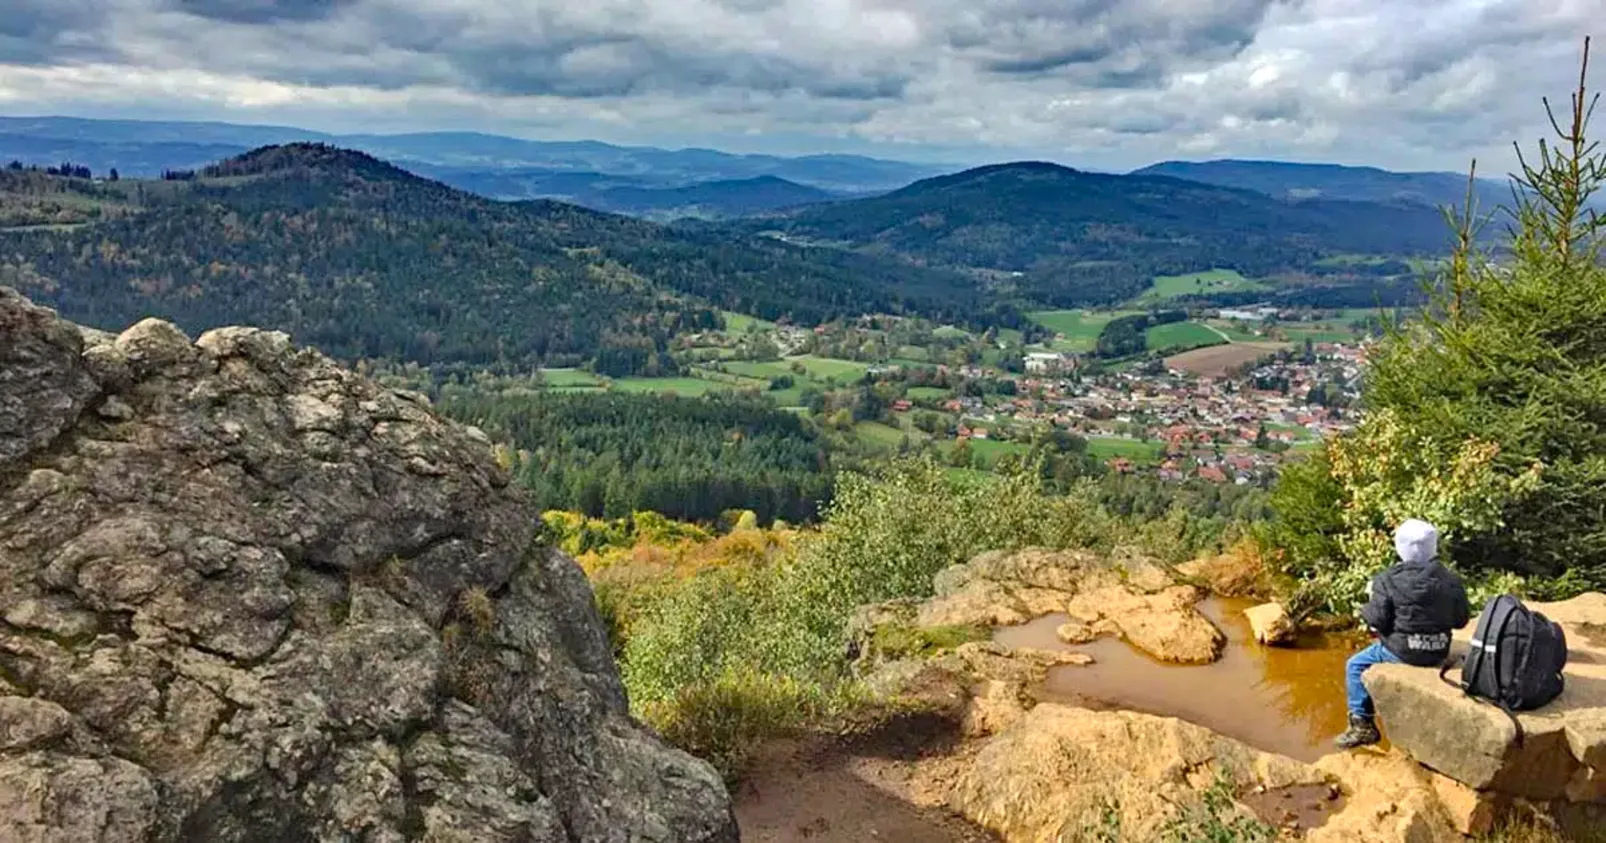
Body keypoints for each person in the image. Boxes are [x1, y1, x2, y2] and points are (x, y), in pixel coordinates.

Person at [1335, 518, 1472, 749]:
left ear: (1400, 548)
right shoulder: (1451, 580)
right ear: (1434, 548)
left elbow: (1377, 620)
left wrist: (1367, 604)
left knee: (1354, 665)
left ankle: (1363, 726)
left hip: (1401, 652)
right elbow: (1461, 621)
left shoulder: (1386, 579)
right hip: (1439, 651)